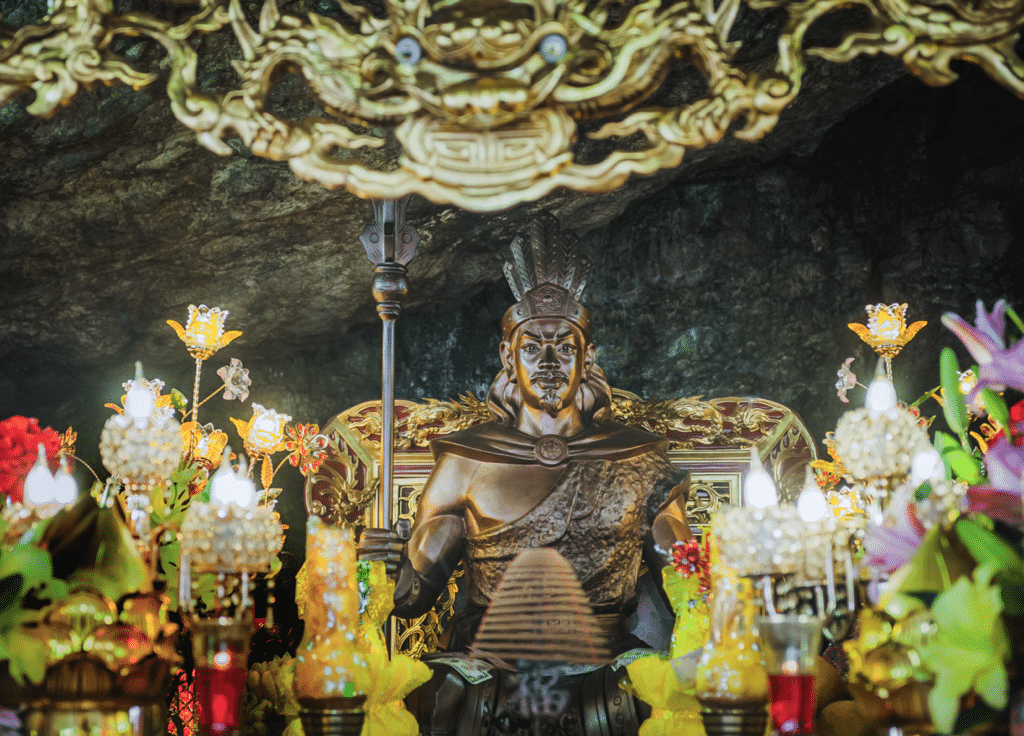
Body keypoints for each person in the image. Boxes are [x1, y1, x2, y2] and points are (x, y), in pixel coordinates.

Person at [359, 212, 693, 736]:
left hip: (605, 662)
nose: (549, 361)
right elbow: (411, 597)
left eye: (565, 346)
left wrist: (725, 586)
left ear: (588, 357)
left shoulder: (638, 458)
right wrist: (379, 567)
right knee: (436, 697)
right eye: (533, 347)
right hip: (486, 665)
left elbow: (691, 584)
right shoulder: (466, 461)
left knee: (642, 702)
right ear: (507, 355)